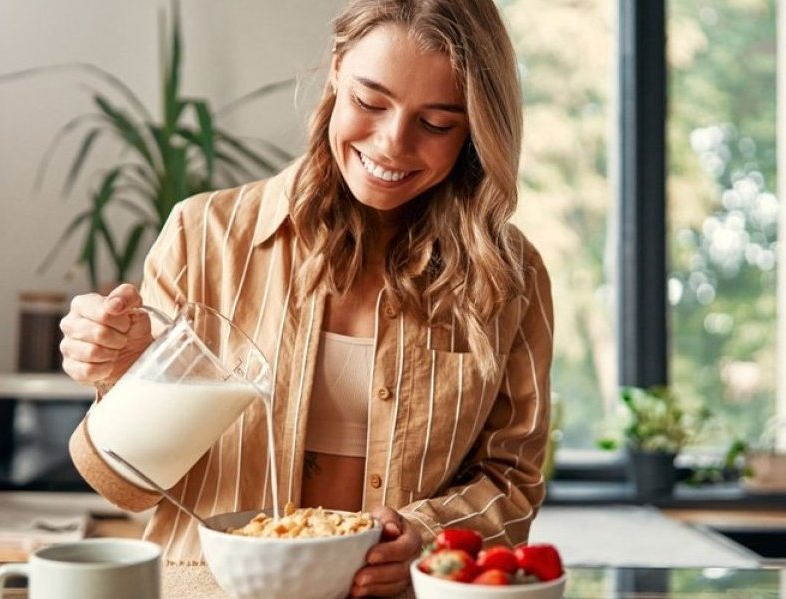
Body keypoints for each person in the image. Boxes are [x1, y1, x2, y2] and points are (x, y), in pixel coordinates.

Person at [60, 0, 553, 595]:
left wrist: (423, 534)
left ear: (476, 127)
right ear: (338, 70)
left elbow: (513, 481)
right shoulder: (202, 236)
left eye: (438, 123)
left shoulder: (509, 276)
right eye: (371, 102)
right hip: (205, 588)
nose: (393, 143)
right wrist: (122, 376)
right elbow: (126, 488)